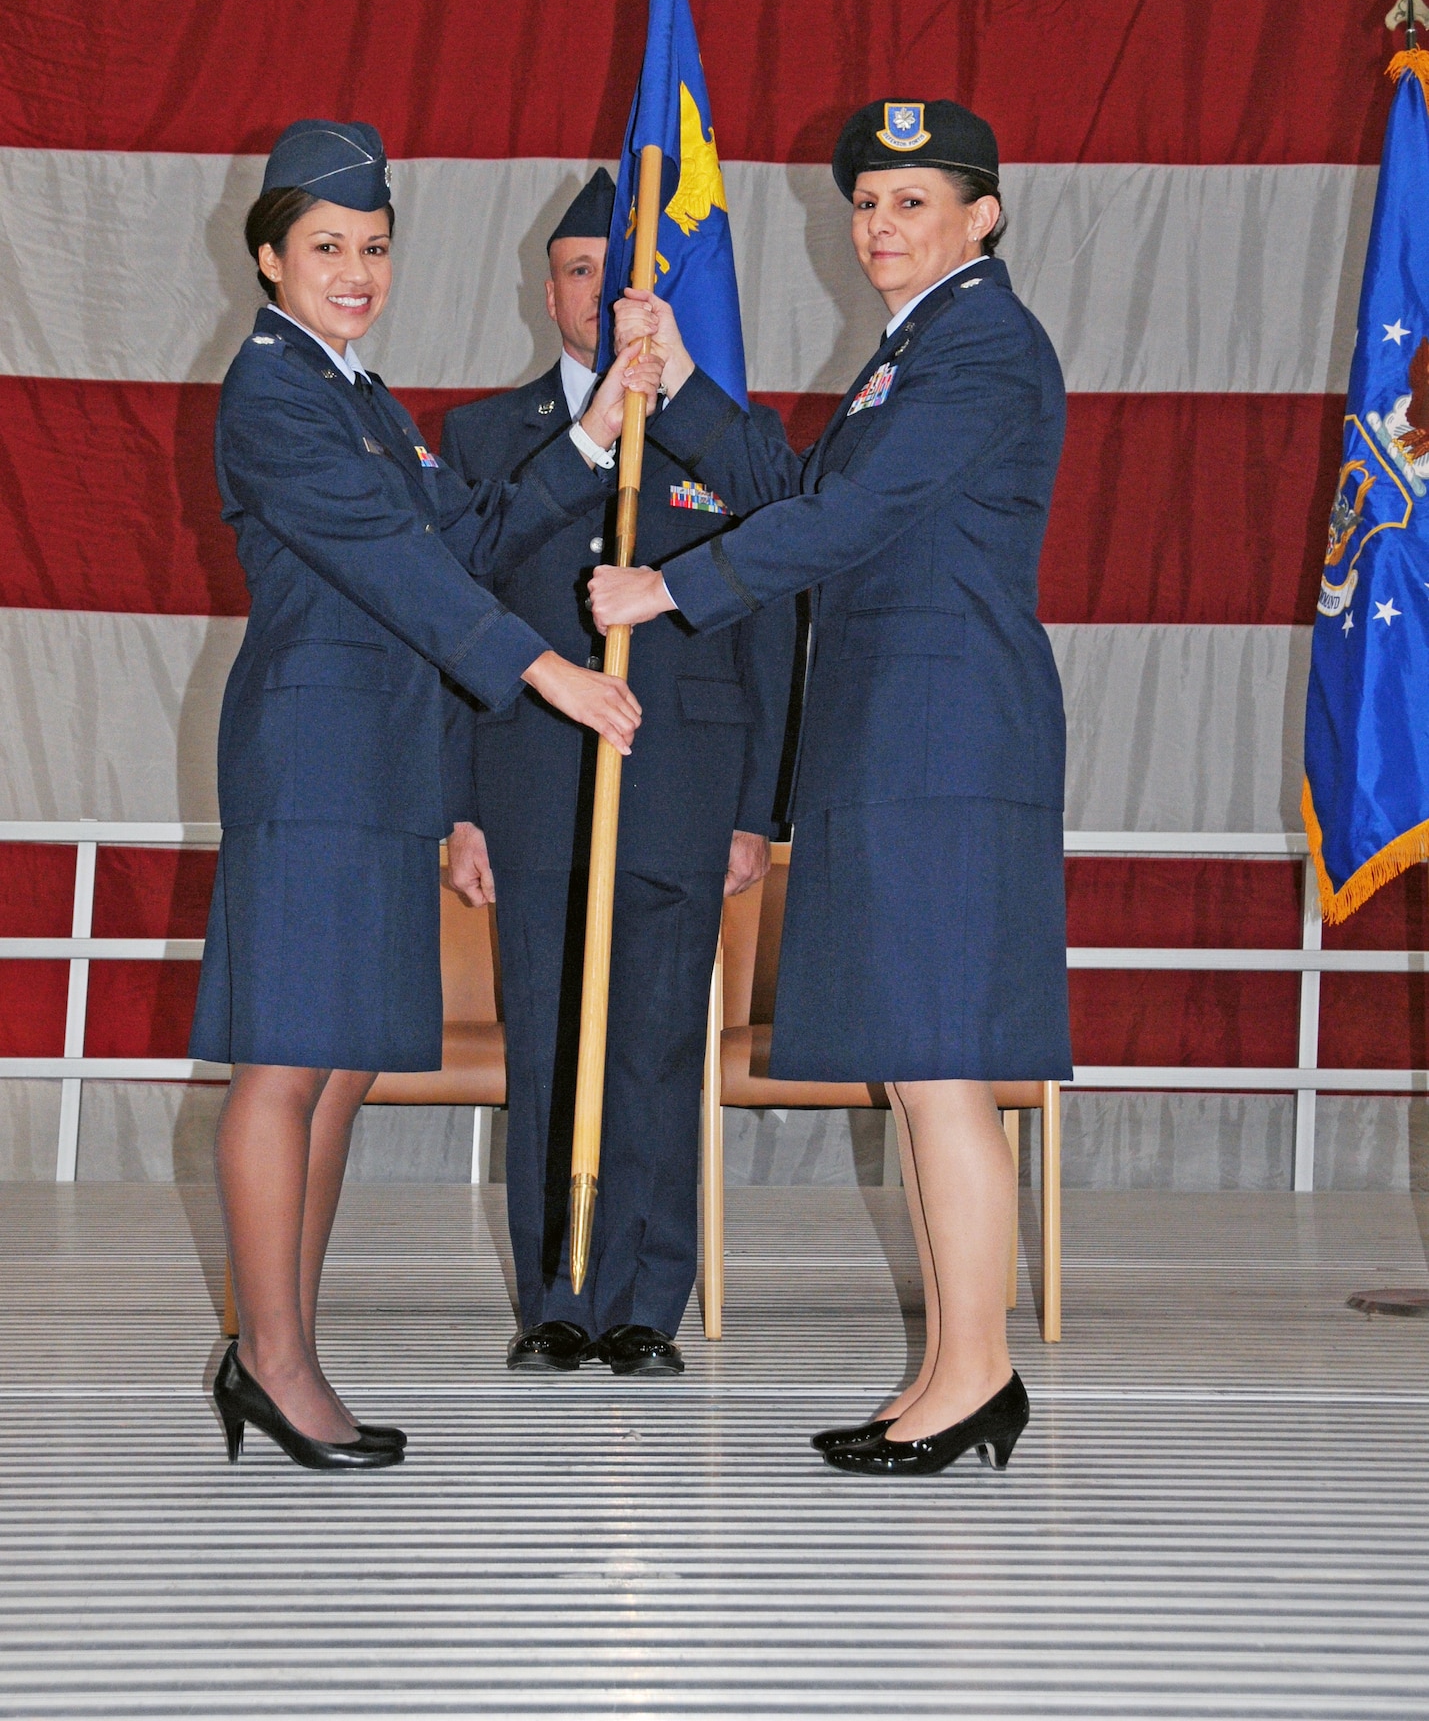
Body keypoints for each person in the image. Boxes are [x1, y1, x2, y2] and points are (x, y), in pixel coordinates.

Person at [588, 100, 1072, 1474]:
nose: (878, 227)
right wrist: (678, 385)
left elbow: (848, 521)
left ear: (982, 214)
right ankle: (950, 1368)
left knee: (941, 1072)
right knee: (918, 1075)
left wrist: (665, 587)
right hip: (894, 737)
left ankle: (975, 1376)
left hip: (944, 741)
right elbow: (807, 486)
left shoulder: (980, 344)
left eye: (912, 203)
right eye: (867, 204)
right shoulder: (913, 351)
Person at [191, 122, 660, 1470]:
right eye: (328, 248)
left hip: (378, 761)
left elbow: (463, 534)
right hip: (313, 761)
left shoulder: (358, 394)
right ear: (270, 257)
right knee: (285, 1066)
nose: (356, 271)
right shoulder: (274, 391)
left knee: (334, 1071)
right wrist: (551, 675)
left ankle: (280, 1343)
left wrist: (589, 434)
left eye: (375, 248)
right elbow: (400, 574)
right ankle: (272, 1361)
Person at [440, 170, 797, 1374]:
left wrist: (757, 808)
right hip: (532, 776)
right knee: (545, 1034)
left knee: (653, 1037)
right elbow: (454, 616)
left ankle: (645, 1296)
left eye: (620, 270)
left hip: (685, 774)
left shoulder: (725, 431)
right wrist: (460, 806)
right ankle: (556, 1293)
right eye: (579, 269)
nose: (601, 291)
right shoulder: (487, 436)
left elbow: (770, 612)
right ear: (547, 292)